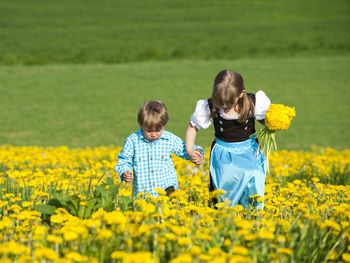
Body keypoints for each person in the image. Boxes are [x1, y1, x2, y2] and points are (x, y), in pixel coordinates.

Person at [185, 70, 271, 208]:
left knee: (254, 176)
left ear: (241, 93)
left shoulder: (253, 102)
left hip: (249, 151)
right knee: (225, 185)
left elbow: (265, 120)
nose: (224, 106)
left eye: (229, 102)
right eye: (220, 102)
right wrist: (190, 149)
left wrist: (274, 122)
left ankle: (252, 213)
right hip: (223, 153)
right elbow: (193, 126)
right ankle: (225, 213)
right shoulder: (209, 106)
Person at [115, 100, 204, 197]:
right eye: (149, 131)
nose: (153, 134)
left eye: (157, 130)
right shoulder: (133, 141)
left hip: (165, 187)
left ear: (163, 125)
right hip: (143, 193)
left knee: (170, 200)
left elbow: (184, 149)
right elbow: (124, 160)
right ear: (141, 125)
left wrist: (195, 153)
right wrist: (125, 171)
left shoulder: (168, 138)